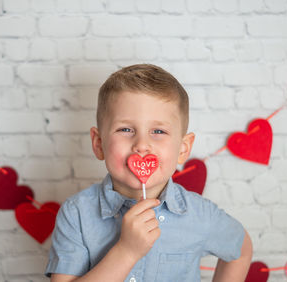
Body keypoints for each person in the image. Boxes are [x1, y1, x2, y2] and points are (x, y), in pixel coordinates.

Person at [45, 64, 253, 282]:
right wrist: (127, 251)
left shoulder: (200, 215)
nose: (142, 145)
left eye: (158, 131)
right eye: (126, 129)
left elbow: (241, 248)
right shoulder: (77, 214)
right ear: (99, 144)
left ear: (183, 149)